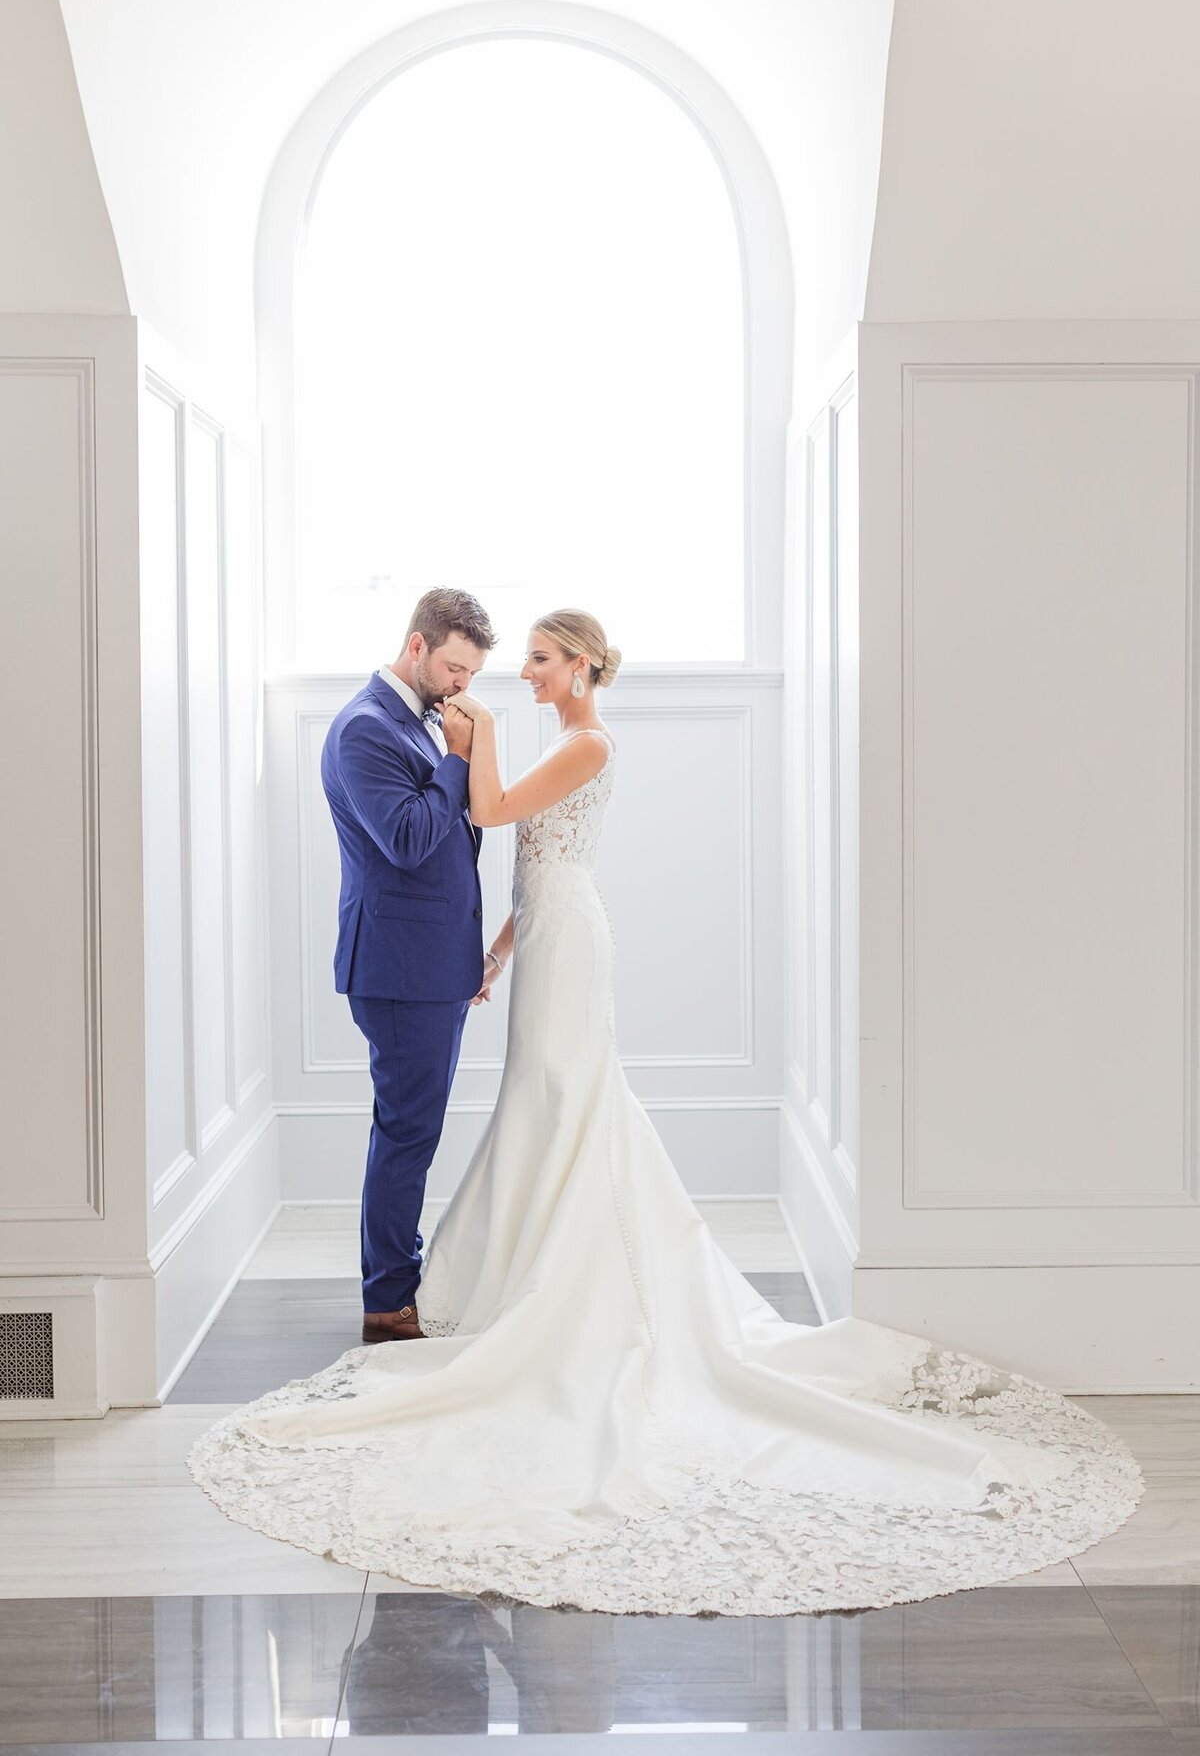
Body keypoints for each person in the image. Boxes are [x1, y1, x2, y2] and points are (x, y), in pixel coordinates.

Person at [190, 609, 1143, 1616]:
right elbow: (531, 859)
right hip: (538, 938)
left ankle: (558, 1281)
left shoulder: (585, 740)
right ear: (425, 650)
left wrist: (485, 745)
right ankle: (489, 1276)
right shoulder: (466, 733)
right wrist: (507, 943)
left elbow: (504, 816)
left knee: (567, 1098)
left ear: (587, 667)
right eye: (503, 665)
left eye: (540, 661)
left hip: (570, 944)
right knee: (542, 1103)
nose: (519, 675)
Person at [317, 586, 497, 1344]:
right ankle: (389, 1304)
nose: (463, 686)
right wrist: (457, 757)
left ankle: (397, 1288)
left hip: (430, 964)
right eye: (455, 667)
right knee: (406, 1134)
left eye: (472, 674)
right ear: (417, 646)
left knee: (410, 1130)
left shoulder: (416, 720)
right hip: (399, 971)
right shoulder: (365, 728)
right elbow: (410, 838)